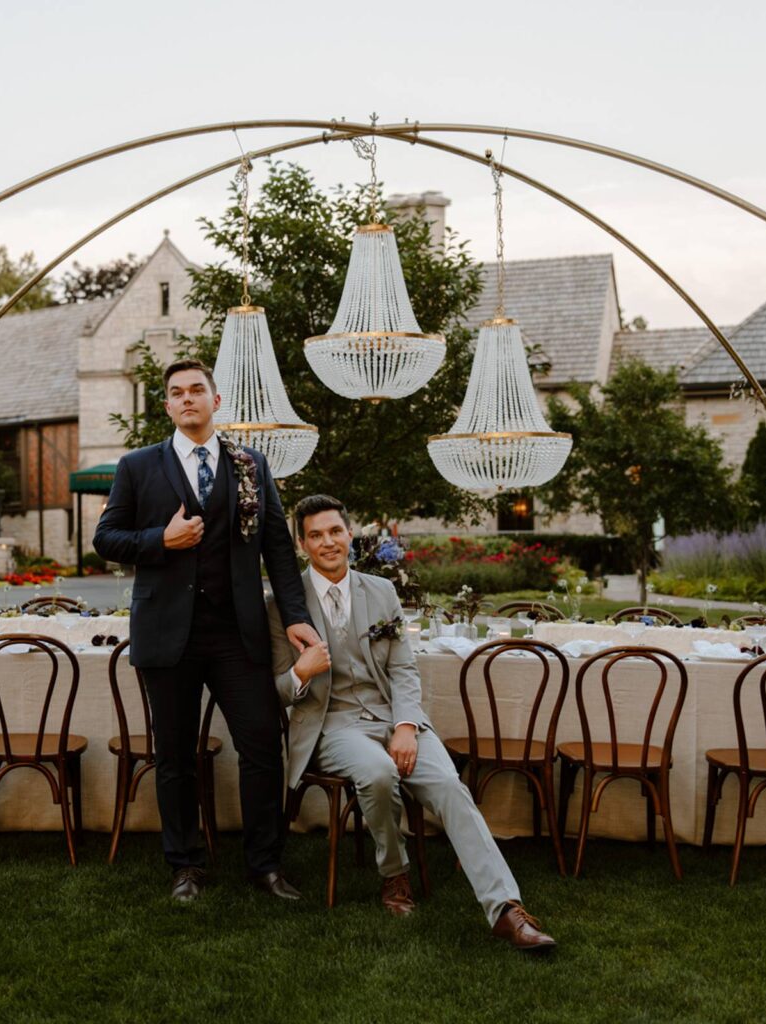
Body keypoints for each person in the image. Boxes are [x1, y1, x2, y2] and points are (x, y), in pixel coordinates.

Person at [267, 494, 556, 951]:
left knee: (448, 786)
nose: (328, 543)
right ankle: (394, 874)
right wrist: (301, 673)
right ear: (302, 544)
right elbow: (274, 691)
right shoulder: (283, 604)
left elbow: (402, 668)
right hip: (333, 725)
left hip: (393, 716)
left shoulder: (380, 591)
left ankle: (505, 909)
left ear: (350, 535)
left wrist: (406, 725)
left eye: (335, 532)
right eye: (316, 535)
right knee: (379, 773)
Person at [93, 359, 319, 903]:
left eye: (198, 389)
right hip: (168, 634)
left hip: (237, 635)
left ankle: (264, 864)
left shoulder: (251, 465)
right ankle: (185, 865)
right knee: (174, 756)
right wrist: (159, 540)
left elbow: (278, 552)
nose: (188, 398)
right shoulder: (137, 465)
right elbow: (106, 538)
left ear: (216, 401)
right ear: (167, 406)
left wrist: (295, 617)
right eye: (177, 392)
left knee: (263, 745)